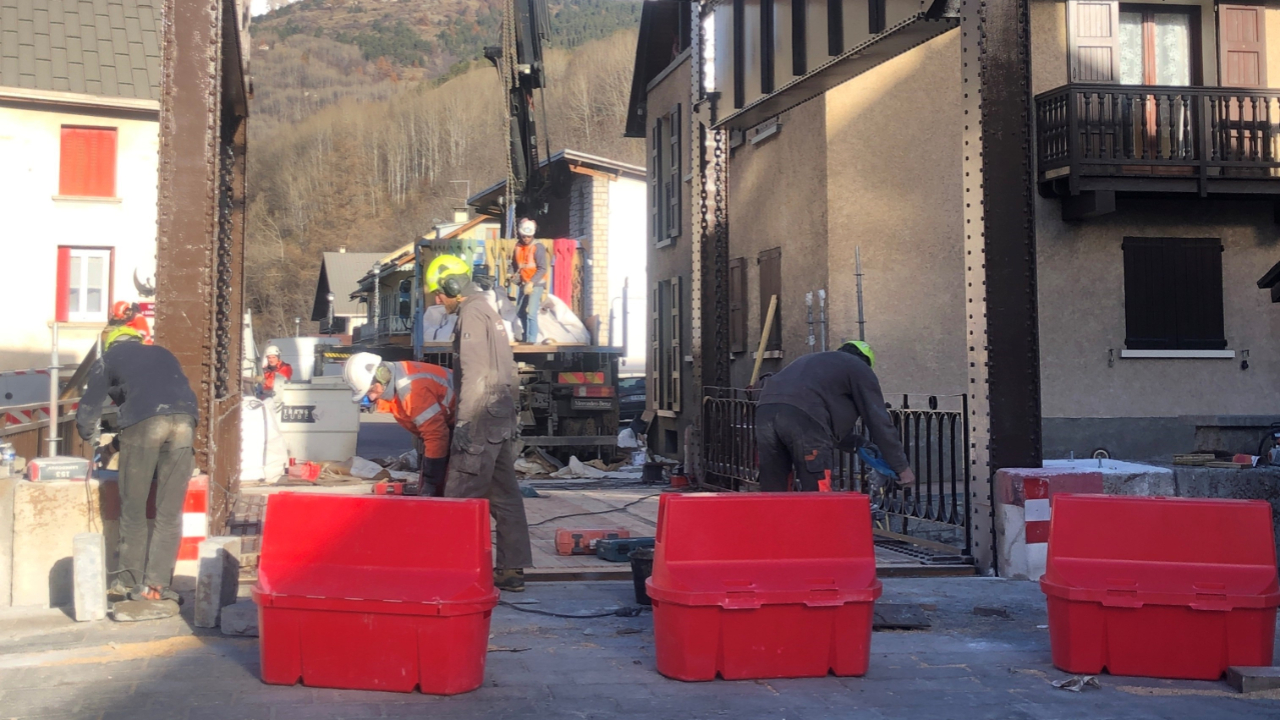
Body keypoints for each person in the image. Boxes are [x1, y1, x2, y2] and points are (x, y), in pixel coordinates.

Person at [427, 254, 533, 592]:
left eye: (439, 293)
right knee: (505, 495)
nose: (436, 299)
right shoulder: (489, 310)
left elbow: (473, 372)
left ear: (453, 287)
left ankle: (453, 572)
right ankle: (512, 570)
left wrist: (463, 423)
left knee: (460, 495)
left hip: (480, 417)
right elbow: (507, 368)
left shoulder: (471, 314)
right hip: (499, 414)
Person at [75, 326, 199, 605]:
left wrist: (90, 438)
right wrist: (115, 446)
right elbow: (158, 400)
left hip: (146, 424)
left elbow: (89, 408)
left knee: (133, 508)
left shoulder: (108, 359)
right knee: (169, 513)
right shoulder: (162, 354)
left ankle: (126, 583)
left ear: (111, 344)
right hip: (185, 421)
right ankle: (157, 587)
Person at [754, 340, 916, 492]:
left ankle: (776, 521)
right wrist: (901, 468)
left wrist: (857, 443)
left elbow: (819, 423)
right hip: (803, 419)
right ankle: (819, 520)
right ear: (866, 362)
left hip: (765, 412)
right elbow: (878, 421)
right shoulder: (859, 368)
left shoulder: (816, 363)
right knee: (816, 484)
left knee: (774, 486)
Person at [343, 352, 455, 496]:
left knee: (458, 482)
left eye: (371, 390)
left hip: (470, 418)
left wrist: (431, 481)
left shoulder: (412, 391)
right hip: (453, 418)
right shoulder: (396, 379)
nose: (371, 397)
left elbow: (436, 436)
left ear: (382, 376)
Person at [508, 217, 548, 344]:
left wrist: (531, 283)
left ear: (533, 235)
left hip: (536, 283)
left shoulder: (538, 247)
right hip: (524, 283)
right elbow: (514, 263)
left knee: (531, 312)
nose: (526, 239)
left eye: (529, 236)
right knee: (520, 311)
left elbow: (542, 268)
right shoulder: (518, 246)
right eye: (524, 236)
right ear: (521, 234)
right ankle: (526, 337)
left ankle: (531, 340)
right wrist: (510, 274)